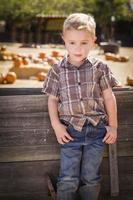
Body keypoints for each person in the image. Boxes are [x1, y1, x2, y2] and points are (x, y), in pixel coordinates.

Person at [42, 13, 119, 200]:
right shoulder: (56, 69)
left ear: (93, 41)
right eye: (72, 42)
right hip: (69, 132)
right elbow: (52, 100)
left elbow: (109, 97)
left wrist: (114, 126)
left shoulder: (100, 68)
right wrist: (56, 126)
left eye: (84, 42)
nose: (78, 48)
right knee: (68, 177)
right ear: (64, 40)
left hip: (96, 130)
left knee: (91, 177)